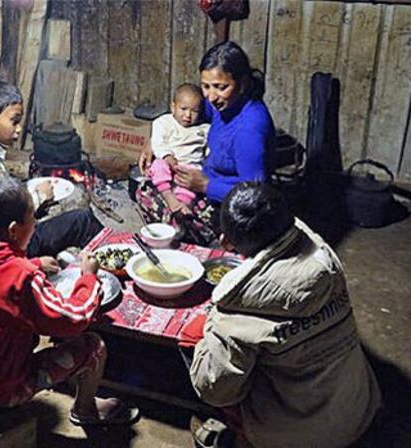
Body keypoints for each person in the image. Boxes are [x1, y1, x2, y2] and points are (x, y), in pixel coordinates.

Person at [178, 182, 381, 448]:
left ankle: (237, 436)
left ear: (226, 242)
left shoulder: (235, 307)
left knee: (194, 335)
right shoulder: (324, 258)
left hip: (294, 438)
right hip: (358, 410)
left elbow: (216, 391)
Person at [0, 176, 140, 426]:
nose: (36, 223)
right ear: (13, 230)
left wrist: (34, 263)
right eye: (33, 217)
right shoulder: (21, 278)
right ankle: (86, 410)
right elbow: (73, 319)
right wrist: (88, 278)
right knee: (93, 345)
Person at [0, 80, 103, 257]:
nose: (19, 129)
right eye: (14, 121)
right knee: (82, 220)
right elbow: (5, 226)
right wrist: (41, 196)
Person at [137, 41, 276, 246]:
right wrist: (153, 143)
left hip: (230, 205)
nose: (211, 97)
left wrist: (206, 185)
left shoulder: (249, 130)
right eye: (206, 86)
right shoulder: (222, 104)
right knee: (147, 185)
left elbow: (255, 195)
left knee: (169, 210)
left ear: (243, 82)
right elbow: (184, 116)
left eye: (221, 87)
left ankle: (204, 242)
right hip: (203, 179)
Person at [146, 83, 211, 217]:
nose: (188, 115)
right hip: (169, 164)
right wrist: (166, 156)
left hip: (189, 169)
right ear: (173, 106)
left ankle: (183, 208)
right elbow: (157, 142)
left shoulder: (204, 129)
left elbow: (210, 151)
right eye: (183, 109)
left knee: (191, 183)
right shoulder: (163, 122)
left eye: (194, 111)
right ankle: (170, 198)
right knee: (158, 165)